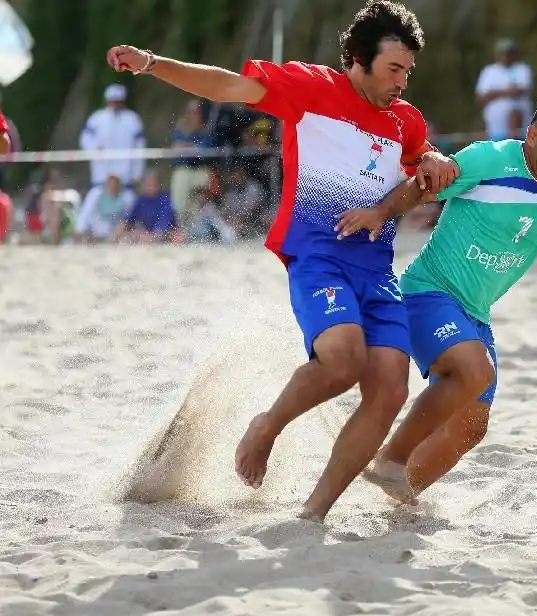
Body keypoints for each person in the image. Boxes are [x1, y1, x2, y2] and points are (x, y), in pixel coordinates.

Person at [106, 0, 458, 523]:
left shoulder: (404, 121)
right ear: (359, 60)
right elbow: (226, 85)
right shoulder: (310, 88)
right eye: (393, 69)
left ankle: (313, 513)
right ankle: (266, 426)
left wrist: (432, 160)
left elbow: (416, 170)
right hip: (318, 254)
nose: (403, 81)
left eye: (408, 70)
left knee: (389, 389)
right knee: (343, 360)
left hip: (377, 268)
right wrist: (154, 63)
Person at [334, 90, 537, 505]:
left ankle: (400, 499)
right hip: (427, 292)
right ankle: (389, 460)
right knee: (474, 371)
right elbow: (424, 185)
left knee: (471, 427)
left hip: (475, 313)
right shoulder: (489, 159)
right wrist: (380, 211)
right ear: (533, 134)